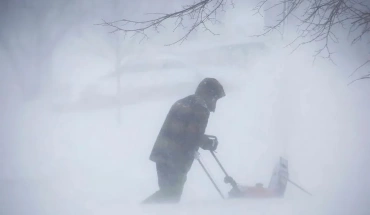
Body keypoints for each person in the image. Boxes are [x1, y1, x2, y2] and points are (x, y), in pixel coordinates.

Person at [142, 77, 226, 204]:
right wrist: (207, 143)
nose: (215, 101)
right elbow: (191, 136)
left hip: (162, 154)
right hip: (176, 158)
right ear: (209, 94)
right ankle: (140, 210)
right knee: (170, 196)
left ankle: (142, 210)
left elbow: (184, 131)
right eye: (215, 98)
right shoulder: (200, 107)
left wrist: (202, 140)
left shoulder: (184, 102)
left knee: (167, 194)